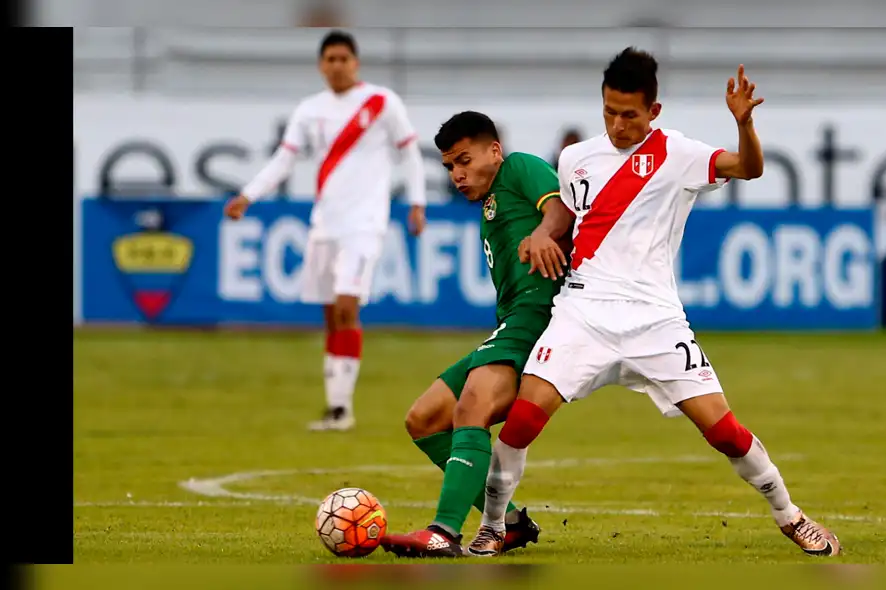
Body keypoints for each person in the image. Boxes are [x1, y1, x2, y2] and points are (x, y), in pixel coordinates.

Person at [465, 48, 842, 558]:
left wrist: (745, 125)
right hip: (583, 313)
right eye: (609, 112)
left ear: (654, 111)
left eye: (630, 115)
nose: (618, 125)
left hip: (656, 321)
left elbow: (749, 168)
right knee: (521, 425)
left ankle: (790, 515)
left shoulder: (680, 154)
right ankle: (491, 527)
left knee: (726, 433)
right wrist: (540, 233)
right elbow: (565, 218)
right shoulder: (576, 158)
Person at [378, 111, 575, 558]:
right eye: (449, 166)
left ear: (494, 151)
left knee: (472, 405)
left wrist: (544, 234)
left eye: (464, 160)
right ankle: (506, 522)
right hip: (510, 323)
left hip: (538, 316)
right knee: (425, 418)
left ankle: (443, 533)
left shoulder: (520, 167)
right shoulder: (489, 204)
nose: (457, 174)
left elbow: (561, 208)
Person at [224, 30, 427, 432]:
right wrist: (248, 195)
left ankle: (342, 409)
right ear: (321, 65)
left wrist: (417, 202)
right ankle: (335, 406)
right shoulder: (309, 109)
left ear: (356, 62)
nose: (336, 66)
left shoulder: (381, 102)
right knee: (330, 314)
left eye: (343, 58)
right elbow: (284, 160)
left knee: (348, 306)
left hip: (364, 223)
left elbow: (410, 153)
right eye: (329, 59)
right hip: (325, 224)